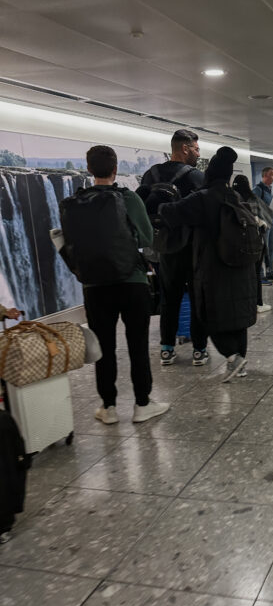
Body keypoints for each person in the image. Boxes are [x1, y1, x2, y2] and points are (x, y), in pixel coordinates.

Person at [61, 145, 169, 424]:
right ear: (115, 169)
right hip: (132, 282)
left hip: (95, 287)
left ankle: (108, 407)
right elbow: (146, 238)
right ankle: (142, 404)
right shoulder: (128, 198)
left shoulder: (75, 203)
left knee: (104, 347)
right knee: (137, 345)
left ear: (88, 169)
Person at [159, 146, 256, 382]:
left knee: (207, 317)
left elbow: (170, 213)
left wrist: (159, 200)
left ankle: (233, 358)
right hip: (240, 266)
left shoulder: (202, 198)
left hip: (213, 269)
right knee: (236, 320)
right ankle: (239, 363)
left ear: (209, 173)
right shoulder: (236, 197)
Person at [138, 129, 209, 367]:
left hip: (164, 248)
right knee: (198, 298)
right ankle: (199, 350)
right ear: (185, 148)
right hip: (192, 247)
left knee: (169, 298)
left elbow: (141, 210)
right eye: (196, 149)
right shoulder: (195, 177)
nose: (198, 154)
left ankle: (167, 349)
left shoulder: (151, 174)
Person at [232, 174, 273, 314]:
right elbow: (268, 218)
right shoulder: (253, 199)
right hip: (254, 243)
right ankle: (257, 303)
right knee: (255, 274)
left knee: (238, 275)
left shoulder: (231, 198)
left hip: (235, 243)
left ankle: (240, 304)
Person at [253, 167, 273, 283]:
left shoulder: (269, 190)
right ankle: (260, 275)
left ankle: (270, 272)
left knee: (272, 248)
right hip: (263, 224)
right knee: (262, 249)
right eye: (272, 175)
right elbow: (253, 205)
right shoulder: (258, 189)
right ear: (265, 175)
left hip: (272, 223)